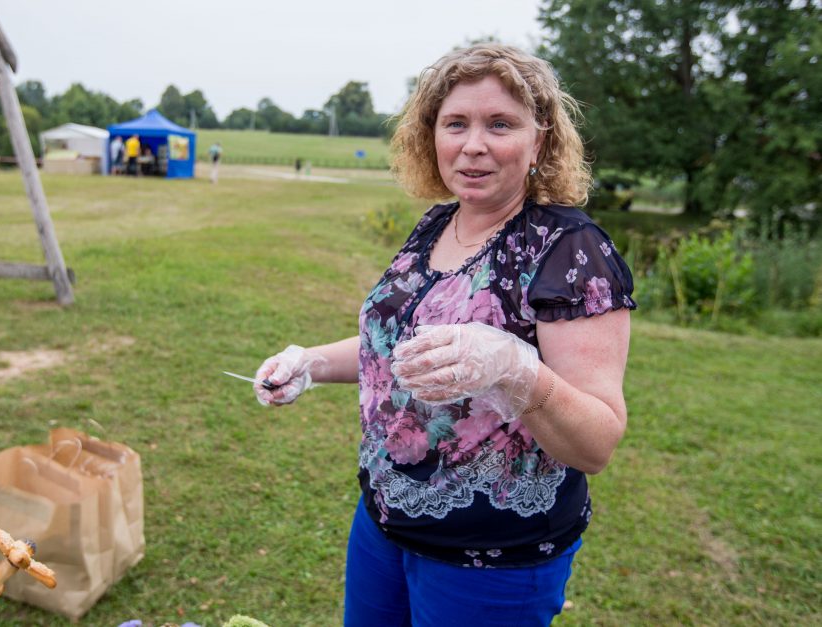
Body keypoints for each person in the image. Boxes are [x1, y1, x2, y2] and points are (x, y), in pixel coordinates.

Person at [253, 43, 636, 626]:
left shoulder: (570, 251)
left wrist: (517, 371)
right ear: (431, 135)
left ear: (539, 141)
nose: (473, 144)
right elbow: (398, 350)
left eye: (500, 124)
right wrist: (310, 362)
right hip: (384, 522)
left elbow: (597, 443)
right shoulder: (439, 221)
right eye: (455, 123)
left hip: (493, 565)